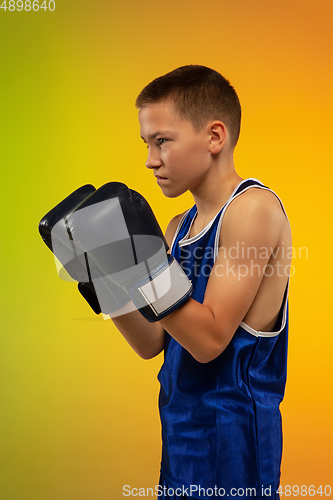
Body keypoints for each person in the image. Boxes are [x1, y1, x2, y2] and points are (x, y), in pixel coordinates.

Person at [111, 65, 291, 500]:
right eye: (147, 143)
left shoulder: (252, 210)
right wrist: (104, 277)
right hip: (180, 432)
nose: (151, 160)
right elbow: (152, 341)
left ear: (214, 136)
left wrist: (141, 269)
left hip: (235, 439)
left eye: (162, 141)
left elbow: (209, 339)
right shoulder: (177, 228)